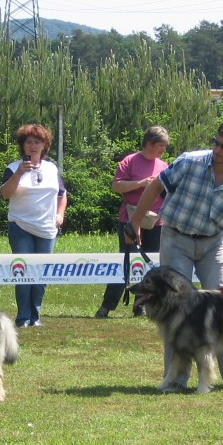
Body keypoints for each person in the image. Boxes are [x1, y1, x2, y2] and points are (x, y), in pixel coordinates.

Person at [128, 118, 223, 391]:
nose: (217, 149)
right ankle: (175, 380)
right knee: (174, 308)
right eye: (216, 142)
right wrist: (135, 223)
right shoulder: (189, 162)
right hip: (176, 237)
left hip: (214, 244)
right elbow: (155, 187)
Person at [95, 125, 169, 319]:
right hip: (130, 220)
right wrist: (142, 183)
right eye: (161, 146)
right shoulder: (130, 161)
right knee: (126, 261)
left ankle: (141, 306)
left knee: (149, 265)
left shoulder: (164, 165)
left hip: (156, 222)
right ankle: (107, 306)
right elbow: (116, 186)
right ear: (150, 144)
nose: (164, 150)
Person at [0, 123, 68, 328]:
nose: (33, 145)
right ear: (23, 146)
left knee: (41, 274)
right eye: (28, 142)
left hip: (47, 229)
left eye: (37, 141)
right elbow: (5, 194)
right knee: (24, 272)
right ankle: (22, 318)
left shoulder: (51, 168)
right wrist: (19, 173)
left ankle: (35, 316)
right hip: (20, 226)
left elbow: (62, 195)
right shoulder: (13, 168)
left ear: (44, 144)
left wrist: (59, 213)